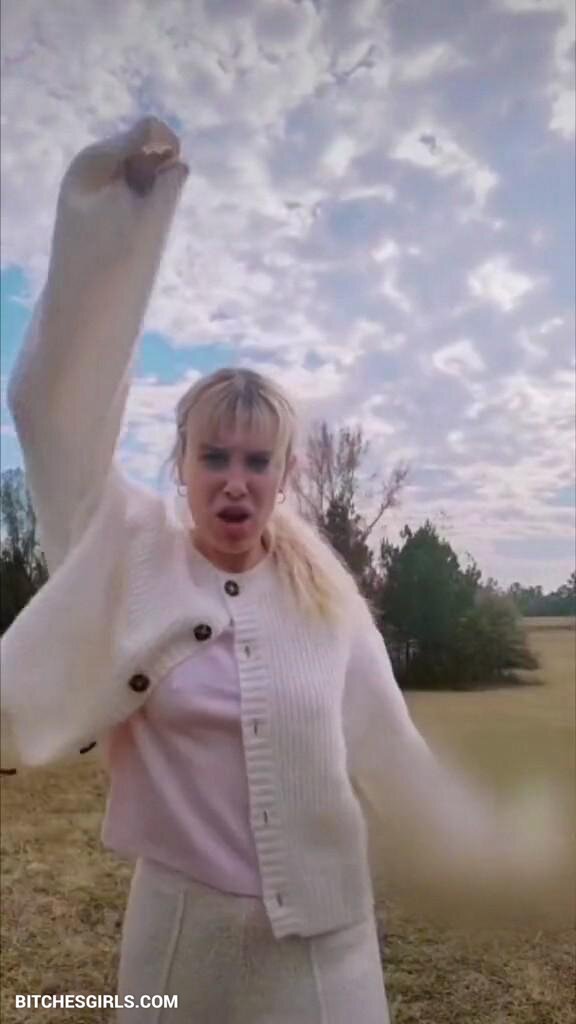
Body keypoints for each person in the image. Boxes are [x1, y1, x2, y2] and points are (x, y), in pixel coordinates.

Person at [1, 118, 571, 1023]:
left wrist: (508, 854)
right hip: (175, 944)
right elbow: (52, 405)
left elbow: (395, 759)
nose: (234, 481)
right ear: (181, 464)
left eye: (256, 461)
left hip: (323, 955)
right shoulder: (127, 554)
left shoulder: (328, 603)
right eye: (213, 457)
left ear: (284, 475)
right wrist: (120, 220)